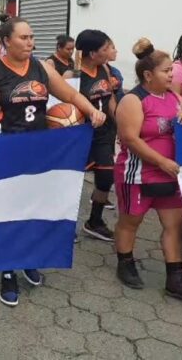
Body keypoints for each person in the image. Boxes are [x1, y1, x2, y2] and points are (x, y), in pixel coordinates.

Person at [0, 17, 106, 307]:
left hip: (41, 152)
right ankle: (7, 269)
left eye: (32, 37)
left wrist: (90, 111)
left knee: (34, 209)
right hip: (7, 152)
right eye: (23, 37)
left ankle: (28, 258)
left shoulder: (42, 69)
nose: (30, 42)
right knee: (9, 213)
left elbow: (69, 93)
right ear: (6, 41)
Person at [113, 38, 182, 302]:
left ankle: (175, 277)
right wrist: (161, 161)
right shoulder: (133, 100)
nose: (172, 75)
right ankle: (125, 262)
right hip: (138, 173)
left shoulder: (173, 96)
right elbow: (130, 139)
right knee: (131, 221)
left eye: (172, 71)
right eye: (166, 71)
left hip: (170, 173)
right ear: (148, 75)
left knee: (176, 223)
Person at [75, 29, 119, 242]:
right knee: (71, 182)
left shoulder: (104, 68)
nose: (109, 51)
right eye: (105, 48)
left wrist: (120, 121)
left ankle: (94, 221)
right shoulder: (73, 75)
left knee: (105, 176)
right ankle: (62, 224)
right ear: (92, 53)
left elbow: (110, 98)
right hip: (80, 134)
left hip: (103, 133)